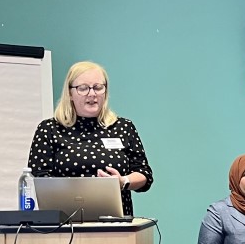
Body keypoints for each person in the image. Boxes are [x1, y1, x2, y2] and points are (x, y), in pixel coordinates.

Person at [27, 61, 153, 216]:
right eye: (83, 88)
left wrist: (123, 182)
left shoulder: (123, 127)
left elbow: (144, 174)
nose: (92, 94)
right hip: (64, 226)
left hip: (116, 225)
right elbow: (39, 178)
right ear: (70, 93)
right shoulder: (49, 129)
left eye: (98, 87)